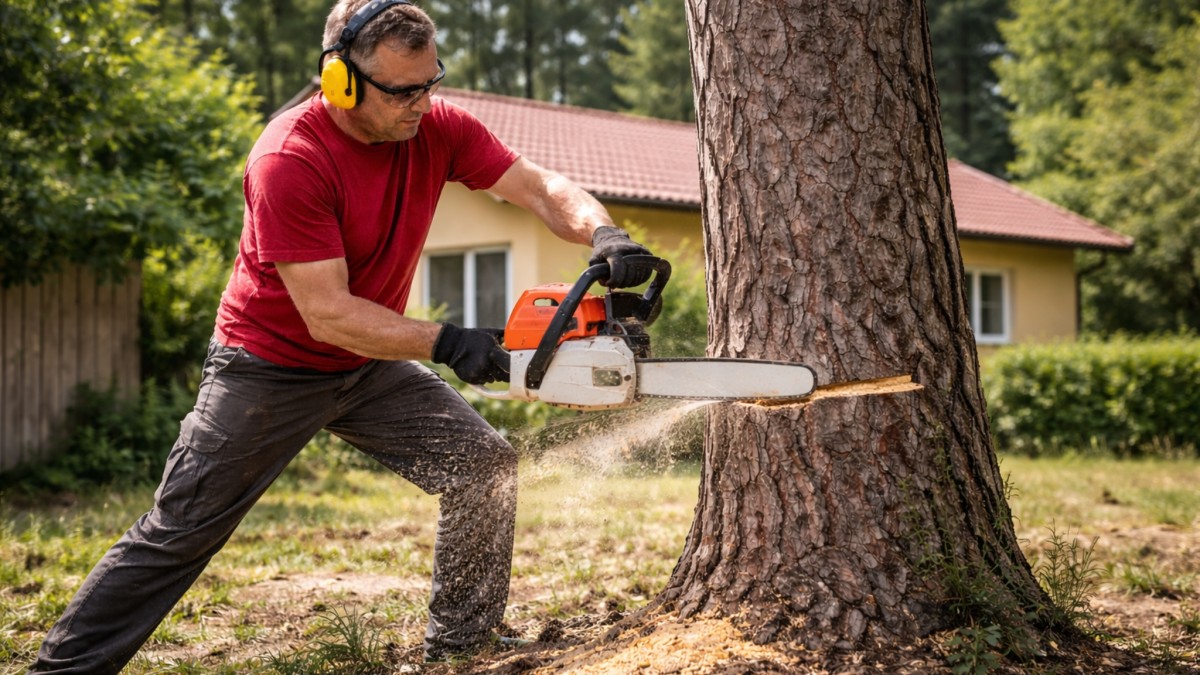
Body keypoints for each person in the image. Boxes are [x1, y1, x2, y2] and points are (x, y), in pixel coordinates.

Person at [28, 0, 652, 671]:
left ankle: (462, 645)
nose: (421, 103)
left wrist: (603, 232)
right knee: (180, 530)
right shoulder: (290, 158)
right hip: (267, 367)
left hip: (367, 363)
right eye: (401, 90)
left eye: (430, 82)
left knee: (481, 464)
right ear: (341, 81)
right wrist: (450, 342)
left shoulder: (435, 128)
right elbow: (326, 312)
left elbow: (538, 188)